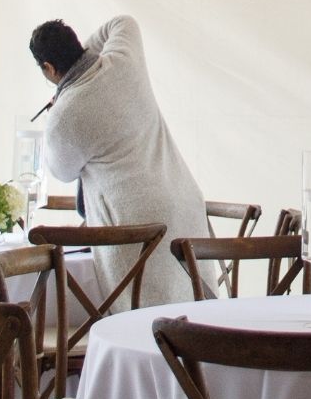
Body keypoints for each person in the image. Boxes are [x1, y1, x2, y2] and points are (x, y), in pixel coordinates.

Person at [29, 15, 209, 305]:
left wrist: (61, 97)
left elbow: (62, 171)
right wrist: (84, 55)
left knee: (146, 317)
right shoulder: (124, 60)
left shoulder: (65, 115)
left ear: (49, 68)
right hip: (184, 202)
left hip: (136, 225)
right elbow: (122, 22)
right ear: (76, 44)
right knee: (194, 309)